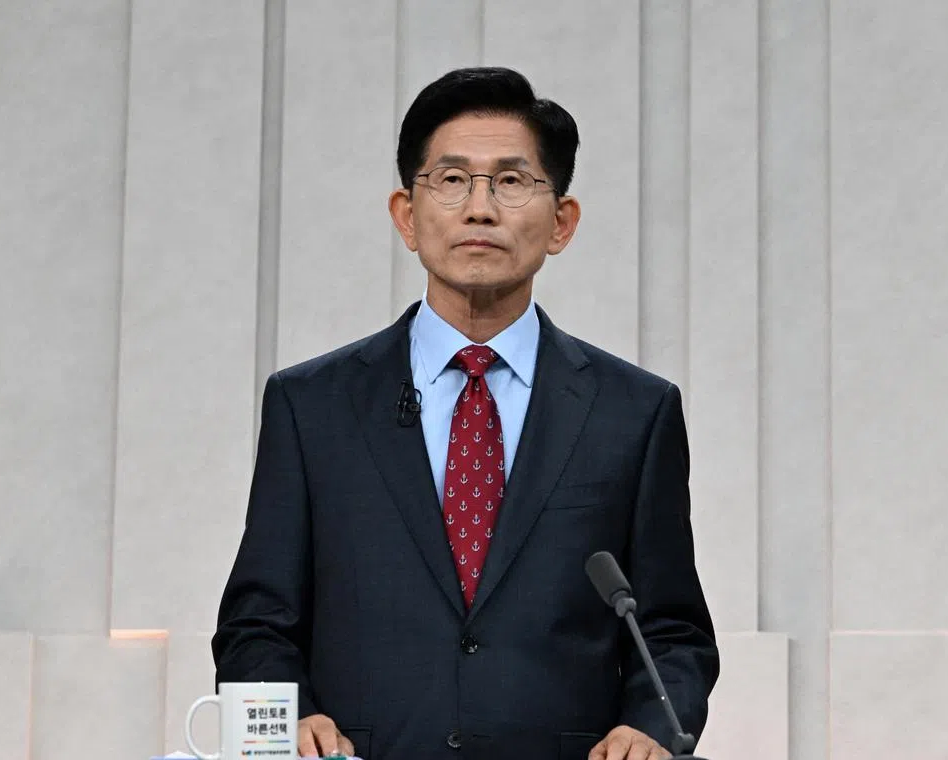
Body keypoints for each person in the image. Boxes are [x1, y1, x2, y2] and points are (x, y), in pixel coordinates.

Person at [213, 67, 719, 760]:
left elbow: (672, 633)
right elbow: (254, 626)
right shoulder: (312, 405)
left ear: (562, 221)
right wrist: (283, 725)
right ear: (405, 215)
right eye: (451, 180)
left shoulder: (633, 411)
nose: (480, 208)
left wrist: (653, 731)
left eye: (512, 181)